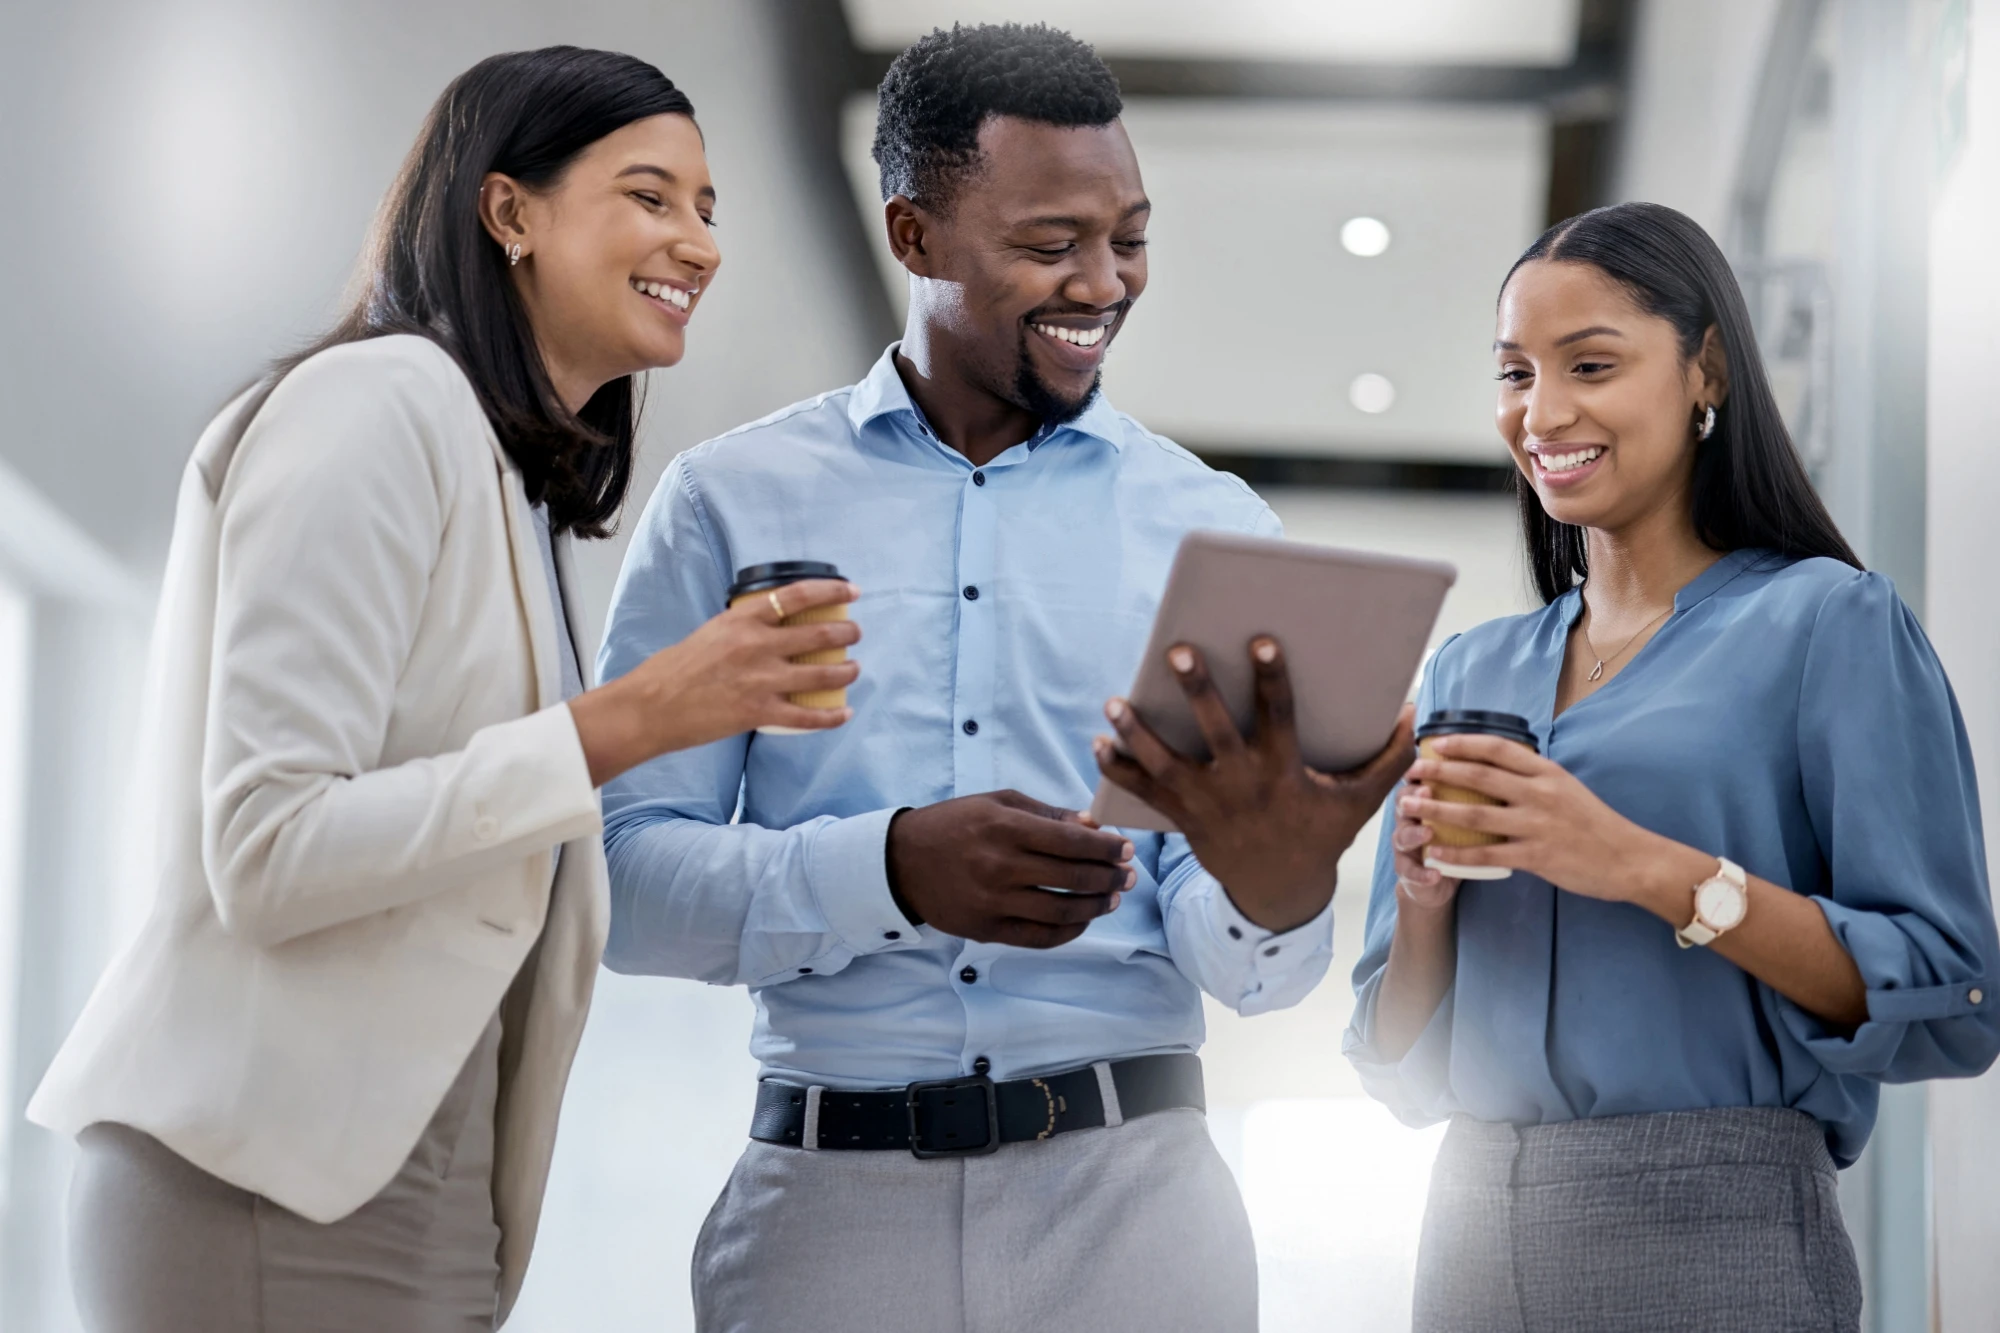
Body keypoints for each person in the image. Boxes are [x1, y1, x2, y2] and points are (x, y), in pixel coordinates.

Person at [27, 46, 860, 1332]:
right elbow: (267, 844)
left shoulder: (501, 480)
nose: (695, 242)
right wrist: (632, 720)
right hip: (265, 1180)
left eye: (707, 210)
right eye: (649, 195)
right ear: (508, 211)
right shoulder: (377, 402)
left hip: (407, 1188)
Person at [597, 23, 1408, 1332]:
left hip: (1136, 1217)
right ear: (913, 238)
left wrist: (1278, 879)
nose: (1104, 282)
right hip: (823, 1218)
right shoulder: (728, 503)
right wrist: (890, 869)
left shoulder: (1214, 528)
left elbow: (1256, 975)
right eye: (1050, 244)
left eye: (1129, 238)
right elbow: (619, 888)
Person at [1344, 201, 2000, 1333]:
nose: (1539, 412)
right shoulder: (1473, 663)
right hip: (1462, 1241)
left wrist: (1646, 868)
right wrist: (1420, 902)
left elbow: (1956, 991)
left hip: (1713, 1228)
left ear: (1703, 371)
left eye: (1587, 364)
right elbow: (1392, 1056)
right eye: (1512, 374)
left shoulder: (1826, 626)